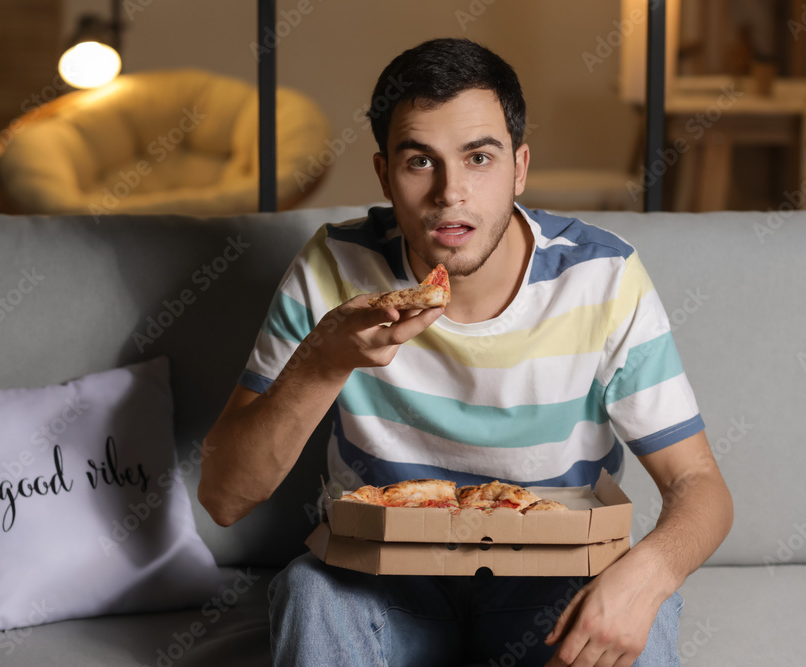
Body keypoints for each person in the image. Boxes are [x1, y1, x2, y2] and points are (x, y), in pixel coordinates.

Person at [199, 37, 733, 667]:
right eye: (420, 162)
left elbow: (700, 485)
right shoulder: (333, 268)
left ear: (520, 167)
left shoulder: (603, 276)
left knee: (648, 604)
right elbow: (224, 497)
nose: (451, 192)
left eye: (479, 158)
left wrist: (647, 577)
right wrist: (324, 359)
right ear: (383, 176)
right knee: (310, 594)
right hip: (380, 582)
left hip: (552, 582)